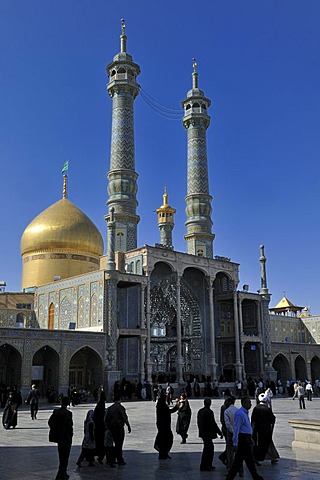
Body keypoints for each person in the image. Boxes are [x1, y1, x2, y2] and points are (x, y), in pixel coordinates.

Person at [225, 397, 264, 480]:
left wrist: (250, 438)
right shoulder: (240, 414)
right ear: (244, 403)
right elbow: (236, 429)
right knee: (242, 461)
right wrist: (235, 443)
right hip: (243, 440)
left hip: (246, 439)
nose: (250, 404)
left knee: (245, 461)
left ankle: (255, 476)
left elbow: (246, 427)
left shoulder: (244, 413)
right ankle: (255, 476)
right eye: (249, 403)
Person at [48, 396, 73, 480]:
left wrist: (55, 430)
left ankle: (62, 473)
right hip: (66, 437)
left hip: (59, 437)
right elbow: (70, 426)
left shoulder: (56, 412)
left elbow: (50, 422)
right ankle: (62, 473)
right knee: (65, 457)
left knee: (61, 455)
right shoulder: (68, 413)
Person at [251, 393, 279, 464]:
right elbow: (272, 420)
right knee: (266, 444)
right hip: (266, 430)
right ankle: (265, 457)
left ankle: (270, 457)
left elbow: (253, 420)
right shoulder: (267, 409)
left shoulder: (256, 408)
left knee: (260, 444)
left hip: (257, 431)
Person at [105, 393, 131, 466]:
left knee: (117, 443)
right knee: (119, 444)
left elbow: (106, 418)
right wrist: (128, 425)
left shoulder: (110, 408)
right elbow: (124, 417)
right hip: (119, 427)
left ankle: (119, 459)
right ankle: (112, 459)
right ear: (120, 399)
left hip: (112, 428)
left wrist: (108, 427)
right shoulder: (120, 407)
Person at [197, 397, 223, 471]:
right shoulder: (209, 412)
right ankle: (206, 465)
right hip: (208, 433)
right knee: (208, 450)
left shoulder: (200, 411)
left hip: (203, 433)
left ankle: (206, 465)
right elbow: (213, 423)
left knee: (207, 449)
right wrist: (219, 432)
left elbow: (199, 423)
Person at [224, 396, 243, 476]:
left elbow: (227, 424)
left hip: (230, 433)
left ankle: (231, 470)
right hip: (238, 432)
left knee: (230, 452)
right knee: (239, 452)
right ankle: (241, 470)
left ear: (229, 402)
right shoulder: (238, 410)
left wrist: (232, 431)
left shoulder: (227, 411)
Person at [154, 391, 174, 459]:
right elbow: (169, 412)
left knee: (164, 439)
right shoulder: (162, 406)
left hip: (162, 425)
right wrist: (177, 407)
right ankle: (163, 453)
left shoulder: (160, 405)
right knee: (167, 439)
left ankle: (164, 453)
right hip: (164, 425)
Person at [93, 388, 106, 464]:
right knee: (101, 442)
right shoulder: (101, 406)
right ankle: (100, 455)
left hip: (97, 427)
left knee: (98, 442)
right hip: (100, 427)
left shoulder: (99, 406)